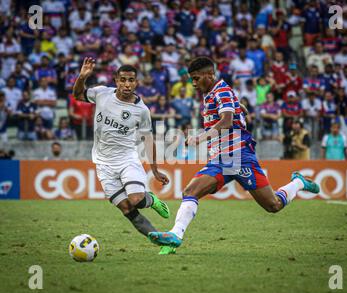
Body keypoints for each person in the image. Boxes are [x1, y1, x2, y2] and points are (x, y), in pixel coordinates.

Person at [148, 57, 320, 254]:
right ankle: (175, 236)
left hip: (239, 155)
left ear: (209, 75)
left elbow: (227, 120)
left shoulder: (221, 91)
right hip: (221, 158)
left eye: (196, 79)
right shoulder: (213, 92)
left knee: (273, 205)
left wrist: (201, 137)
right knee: (190, 191)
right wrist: (241, 108)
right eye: (191, 80)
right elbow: (238, 108)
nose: (193, 83)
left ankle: (298, 183)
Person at [72, 57, 171, 244]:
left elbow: (148, 140)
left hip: (127, 160)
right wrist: (82, 77)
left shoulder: (141, 110)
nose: (127, 84)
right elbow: (77, 95)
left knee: (136, 199)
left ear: (137, 83)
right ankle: (161, 240)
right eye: (123, 80)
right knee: (126, 208)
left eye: (131, 80)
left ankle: (151, 200)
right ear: (116, 80)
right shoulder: (101, 93)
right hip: (103, 164)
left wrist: (155, 170)